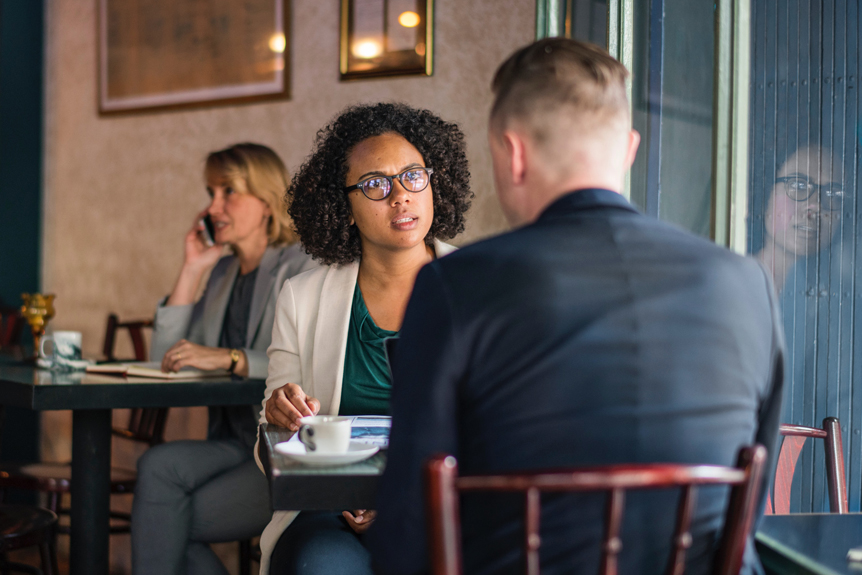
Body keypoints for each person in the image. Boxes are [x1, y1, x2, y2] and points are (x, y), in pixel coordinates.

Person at [368, 38, 785, 575]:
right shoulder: (745, 282)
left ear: (513, 152)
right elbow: (750, 510)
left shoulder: (455, 284)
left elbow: (411, 519)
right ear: (629, 148)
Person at [255, 103, 473, 575]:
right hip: (332, 509)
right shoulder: (302, 297)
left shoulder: (480, 287)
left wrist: (403, 496)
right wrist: (280, 412)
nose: (401, 196)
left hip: (446, 507)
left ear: (435, 184)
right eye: (376, 184)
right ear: (344, 207)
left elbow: (498, 428)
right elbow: (270, 441)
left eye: (413, 175)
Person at [132, 143, 317, 575]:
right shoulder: (222, 271)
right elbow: (167, 360)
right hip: (230, 440)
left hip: (277, 446)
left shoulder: (301, 266)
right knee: (156, 465)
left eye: (227, 192)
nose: (213, 206)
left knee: (164, 523)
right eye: (210, 192)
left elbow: (306, 364)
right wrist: (192, 268)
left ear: (267, 201)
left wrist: (230, 358)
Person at [754, 144, 843, 292]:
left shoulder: (843, 298)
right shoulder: (726, 281)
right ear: (767, 192)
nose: (815, 205)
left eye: (832, 194)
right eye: (798, 185)